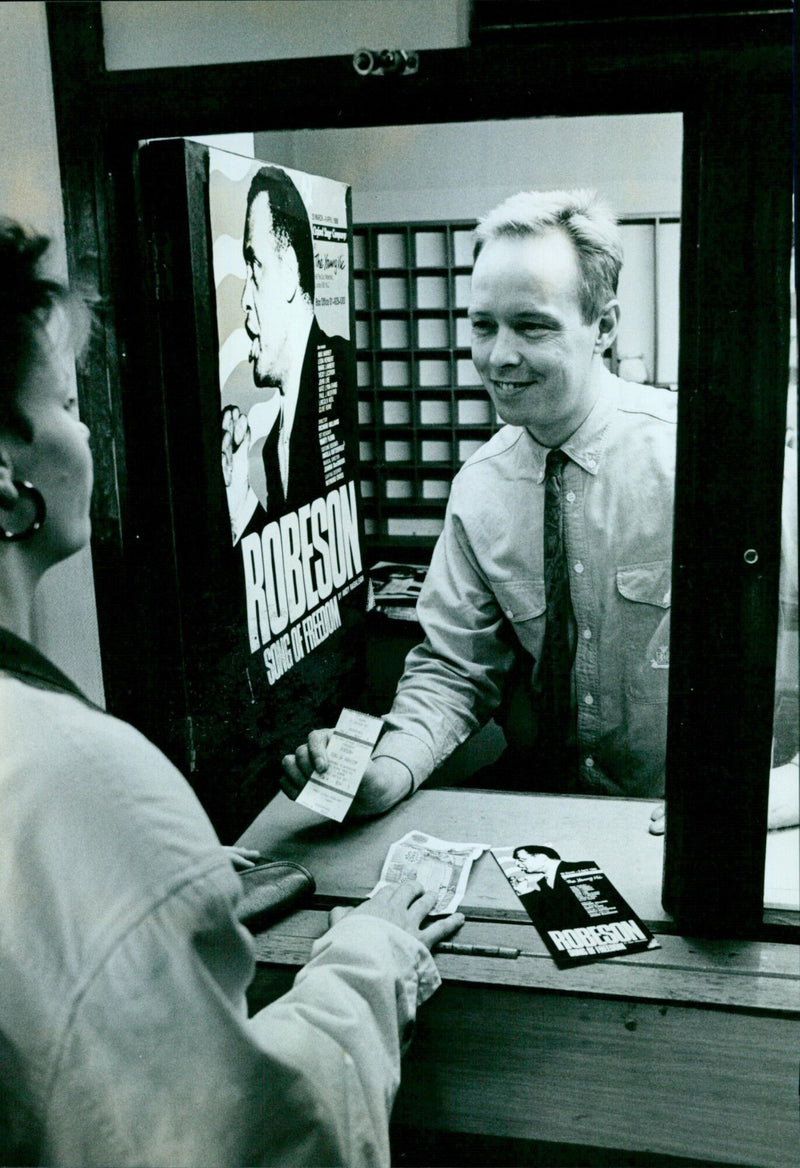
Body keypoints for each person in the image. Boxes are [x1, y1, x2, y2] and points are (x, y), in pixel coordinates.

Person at [0, 219, 463, 1167]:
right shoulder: (72, 784)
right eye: (70, 402)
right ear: (6, 479)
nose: (89, 432)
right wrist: (373, 953)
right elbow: (266, 1143)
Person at [283, 188, 676, 815]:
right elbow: (454, 668)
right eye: (484, 325)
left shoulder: (697, 464)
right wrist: (386, 772)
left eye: (532, 326)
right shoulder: (483, 486)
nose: (499, 357)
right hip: (542, 800)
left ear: (603, 326)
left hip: (688, 818)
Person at [225, 165, 348, 542]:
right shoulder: (274, 446)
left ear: (291, 271)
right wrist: (240, 492)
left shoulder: (339, 366)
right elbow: (294, 562)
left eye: (255, 265)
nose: (245, 299)